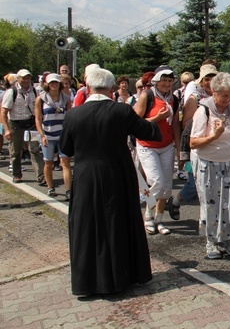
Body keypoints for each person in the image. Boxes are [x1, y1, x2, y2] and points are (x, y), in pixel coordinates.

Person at [59, 67, 161, 296]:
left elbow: (65, 148)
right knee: (119, 223)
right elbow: (149, 132)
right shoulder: (121, 111)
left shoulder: (74, 114)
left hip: (86, 176)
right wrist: (157, 118)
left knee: (87, 226)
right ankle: (125, 277)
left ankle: (88, 283)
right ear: (112, 89)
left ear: (87, 88)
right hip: (117, 173)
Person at [190, 72, 230, 259]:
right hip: (209, 163)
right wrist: (214, 136)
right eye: (224, 95)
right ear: (214, 93)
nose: (228, 99)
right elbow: (193, 142)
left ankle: (227, 238)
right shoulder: (203, 111)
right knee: (211, 204)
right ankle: (211, 241)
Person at [167, 63, 219, 220]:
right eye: (207, 78)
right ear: (201, 81)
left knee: (212, 184)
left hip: (215, 146)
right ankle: (175, 202)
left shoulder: (219, 95)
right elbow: (187, 124)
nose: (210, 82)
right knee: (194, 183)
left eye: (213, 78)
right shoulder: (195, 98)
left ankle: (211, 219)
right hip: (197, 146)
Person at [134, 66, 181, 236]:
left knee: (167, 186)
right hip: (147, 145)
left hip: (167, 145)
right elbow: (135, 121)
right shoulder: (147, 95)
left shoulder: (174, 99)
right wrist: (156, 118)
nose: (167, 84)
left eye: (170, 81)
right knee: (156, 181)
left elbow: (175, 124)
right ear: (156, 80)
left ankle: (159, 219)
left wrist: (178, 148)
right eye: (164, 80)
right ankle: (148, 217)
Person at [1, 69, 45, 184]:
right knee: (16, 151)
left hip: (31, 124)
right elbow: (4, 112)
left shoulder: (35, 91)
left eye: (28, 78)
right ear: (18, 79)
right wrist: (6, 129)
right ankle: (17, 174)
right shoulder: (11, 92)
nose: (26, 80)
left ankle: (41, 176)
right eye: (24, 78)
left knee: (34, 150)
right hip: (16, 124)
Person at [35, 74, 72, 198]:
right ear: (47, 84)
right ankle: (51, 187)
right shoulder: (40, 99)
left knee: (65, 162)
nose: (54, 85)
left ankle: (68, 190)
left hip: (62, 135)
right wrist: (42, 135)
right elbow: (38, 119)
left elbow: (69, 118)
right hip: (48, 135)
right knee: (48, 162)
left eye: (56, 82)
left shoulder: (66, 99)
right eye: (51, 83)